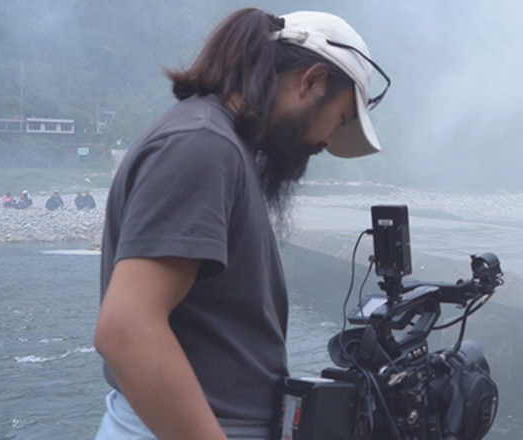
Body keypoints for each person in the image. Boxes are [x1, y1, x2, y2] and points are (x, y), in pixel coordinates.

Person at [92, 8, 388, 440]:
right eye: (340, 120)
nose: (327, 141)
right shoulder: (202, 145)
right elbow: (126, 330)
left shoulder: (219, 143)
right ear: (312, 81)